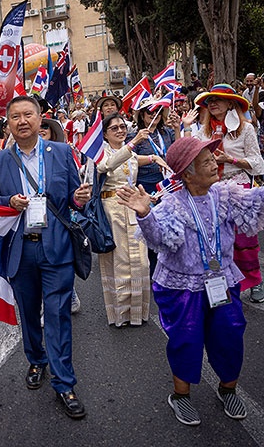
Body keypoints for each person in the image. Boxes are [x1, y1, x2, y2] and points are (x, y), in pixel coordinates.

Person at [117, 136, 254, 426]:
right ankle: (181, 396)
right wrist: (145, 214)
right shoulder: (172, 204)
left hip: (222, 280)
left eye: (211, 158)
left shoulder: (226, 194)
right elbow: (159, 240)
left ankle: (227, 389)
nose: (214, 163)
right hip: (182, 287)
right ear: (188, 173)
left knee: (230, 334)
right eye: (205, 161)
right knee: (186, 340)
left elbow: (257, 203)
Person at [0, 96, 91, 419]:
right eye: (15, 116)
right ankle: (36, 360)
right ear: (8, 123)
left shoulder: (60, 152)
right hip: (21, 247)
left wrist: (79, 198)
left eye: (27, 114)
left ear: (39, 118)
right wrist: (9, 201)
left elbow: (75, 200)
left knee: (58, 314)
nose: (22, 121)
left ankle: (64, 383)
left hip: (56, 245)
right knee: (29, 313)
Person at [184, 84, 264, 303]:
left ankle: (256, 281)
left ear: (231, 103)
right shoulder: (205, 131)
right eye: (210, 101)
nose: (213, 103)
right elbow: (189, 151)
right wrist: (186, 126)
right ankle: (227, 286)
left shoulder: (246, 129)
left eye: (218, 99)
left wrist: (231, 160)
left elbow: (259, 164)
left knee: (244, 240)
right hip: (214, 190)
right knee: (219, 241)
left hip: (240, 190)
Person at [96, 114, 161, 327]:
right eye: (114, 128)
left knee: (141, 262)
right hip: (112, 211)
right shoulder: (100, 152)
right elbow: (104, 167)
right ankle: (121, 315)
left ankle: (138, 314)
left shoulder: (131, 153)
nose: (120, 130)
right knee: (120, 262)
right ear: (105, 133)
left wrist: (152, 159)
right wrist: (133, 144)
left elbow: (132, 170)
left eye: (123, 126)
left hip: (133, 209)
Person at [130, 97, 179, 276]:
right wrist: (150, 157)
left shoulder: (166, 132)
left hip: (167, 185)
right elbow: (129, 160)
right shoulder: (133, 136)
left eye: (158, 110)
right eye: (150, 111)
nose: (154, 115)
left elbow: (177, 151)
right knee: (150, 227)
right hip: (146, 185)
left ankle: (170, 266)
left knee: (169, 225)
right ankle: (152, 269)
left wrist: (178, 128)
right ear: (142, 115)